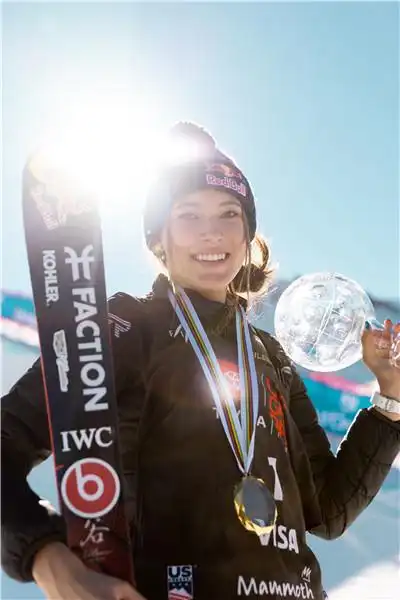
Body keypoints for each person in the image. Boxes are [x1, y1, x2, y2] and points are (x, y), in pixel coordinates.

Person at [1, 122, 400, 600]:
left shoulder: (269, 357)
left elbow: (328, 511)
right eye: (188, 214)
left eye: (229, 213)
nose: (211, 231)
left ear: (248, 235)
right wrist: (49, 561)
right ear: (159, 239)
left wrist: (390, 398)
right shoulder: (123, 328)